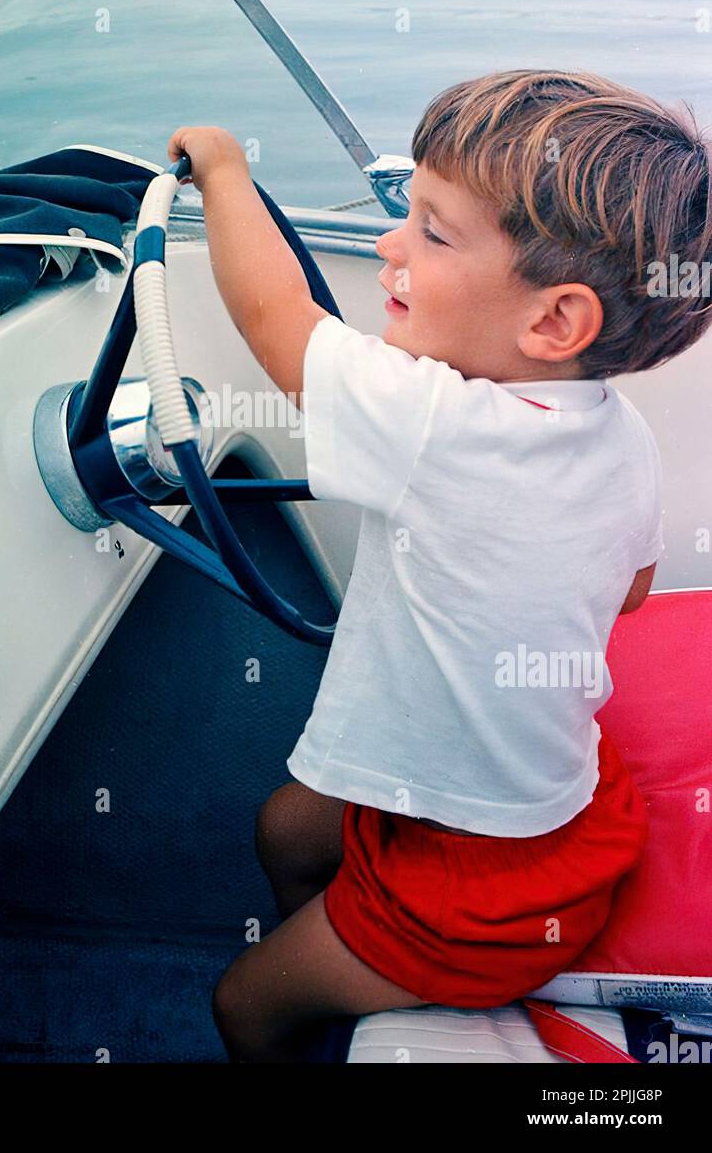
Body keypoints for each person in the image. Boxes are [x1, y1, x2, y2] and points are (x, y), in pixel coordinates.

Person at [167, 68, 712, 1063]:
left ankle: (346, 964)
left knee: (241, 1004)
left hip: (476, 886)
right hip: (564, 808)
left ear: (554, 323)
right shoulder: (619, 432)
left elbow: (273, 316)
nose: (388, 243)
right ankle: (338, 937)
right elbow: (628, 592)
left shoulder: (433, 422)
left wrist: (227, 170)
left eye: (431, 230)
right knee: (288, 827)